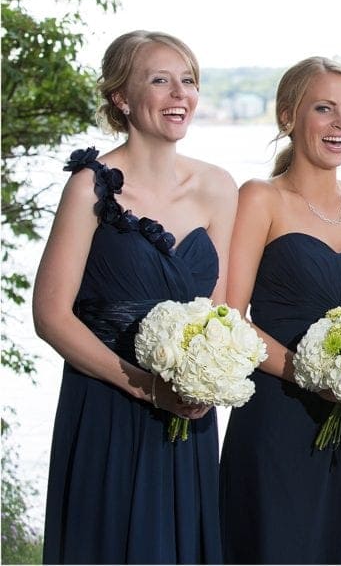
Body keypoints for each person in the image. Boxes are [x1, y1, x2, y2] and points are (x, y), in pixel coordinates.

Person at [35, 30, 236, 563]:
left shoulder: (219, 187)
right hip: (107, 404)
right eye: (160, 80)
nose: (180, 94)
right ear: (121, 98)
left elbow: (224, 313)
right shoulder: (89, 187)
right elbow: (51, 315)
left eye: (188, 80)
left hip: (188, 411)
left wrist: (208, 378)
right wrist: (146, 388)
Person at [218, 57, 341, 564]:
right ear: (287, 118)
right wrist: (314, 376)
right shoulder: (261, 197)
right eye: (324, 109)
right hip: (279, 419)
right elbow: (230, 319)